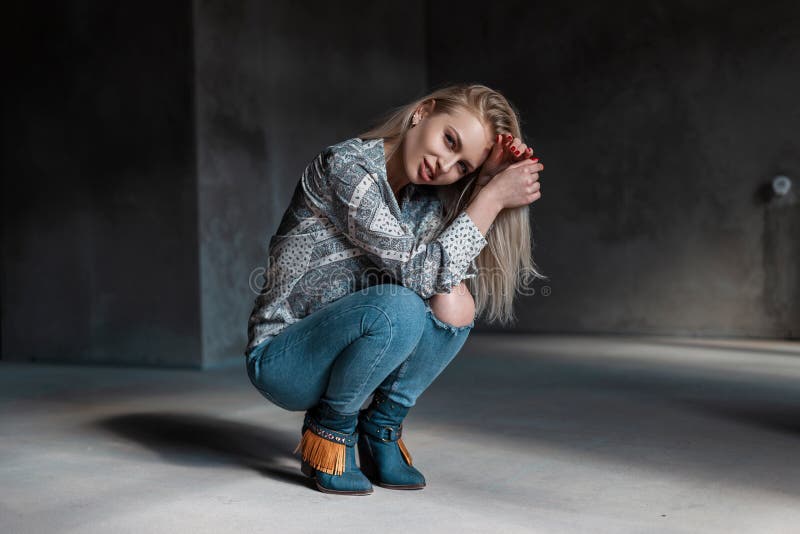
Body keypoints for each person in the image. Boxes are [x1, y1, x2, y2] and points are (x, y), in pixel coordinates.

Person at [244, 83, 545, 495]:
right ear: (424, 112)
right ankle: (330, 428)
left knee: (455, 303)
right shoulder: (347, 168)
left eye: (462, 167)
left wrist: (486, 180)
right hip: (284, 358)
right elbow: (420, 275)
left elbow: (442, 276)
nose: (444, 165)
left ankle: (380, 427)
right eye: (449, 140)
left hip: (348, 350)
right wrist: (491, 198)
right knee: (400, 304)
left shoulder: (423, 199)